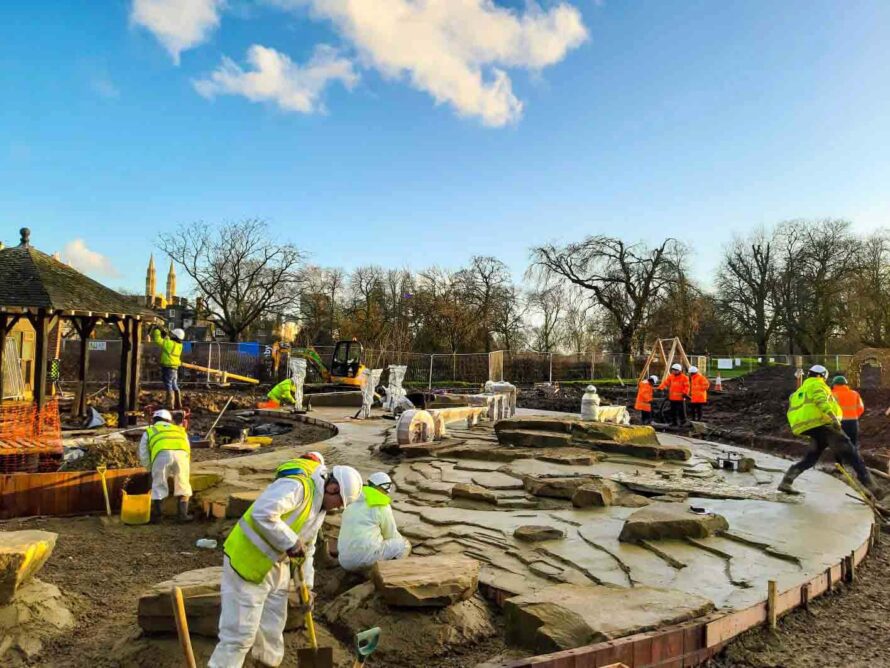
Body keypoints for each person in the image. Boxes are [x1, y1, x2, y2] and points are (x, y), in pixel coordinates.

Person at [208, 463, 363, 668]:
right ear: (332, 488)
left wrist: (306, 585)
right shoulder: (296, 487)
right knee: (240, 635)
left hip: (277, 568)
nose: (338, 509)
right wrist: (290, 541)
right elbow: (263, 513)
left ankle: (266, 664)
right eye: (339, 503)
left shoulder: (320, 508)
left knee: (272, 630)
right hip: (247, 564)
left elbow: (308, 548)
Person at [780, 364, 879, 496]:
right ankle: (873, 487)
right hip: (824, 425)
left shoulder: (799, 391)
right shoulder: (817, 385)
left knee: (811, 457)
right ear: (821, 376)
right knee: (851, 452)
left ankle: (786, 481)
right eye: (824, 378)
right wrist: (833, 418)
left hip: (808, 427)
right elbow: (821, 401)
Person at [337, 471, 411, 572]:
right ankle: (388, 575)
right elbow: (390, 534)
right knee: (404, 544)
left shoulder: (352, 499)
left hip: (344, 561)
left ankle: (363, 572)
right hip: (365, 559)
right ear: (386, 489)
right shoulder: (381, 504)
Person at [138, 409, 193, 522]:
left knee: (159, 484)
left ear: (154, 420)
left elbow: (143, 453)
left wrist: (149, 468)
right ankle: (183, 515)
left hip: (161, 455)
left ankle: (158, 516)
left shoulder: (150, 431)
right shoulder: (180, 430)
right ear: (169, 420)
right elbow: (188, 447)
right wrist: (185, 463)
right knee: (183, 484)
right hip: (181, 455)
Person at [151, 326, 184, 411]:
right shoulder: (179, 345)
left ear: (175, 336)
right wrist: (166, 336)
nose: (171, 335)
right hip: (175, 367)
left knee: (168, 384)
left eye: (172, 334)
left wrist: (157, 330)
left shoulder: (169, 344)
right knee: (174, 384)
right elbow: (168, 341)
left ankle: (170, 404)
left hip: (168, 367)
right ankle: (178, 404)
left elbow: (158, 340)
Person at [830, 375, 865, 448]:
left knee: (839, 445)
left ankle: (841, 459)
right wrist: (854, 416)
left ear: (834, 384)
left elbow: (828, 410)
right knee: (852, 445)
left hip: (838, 423)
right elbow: (861, 408)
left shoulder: (832, 395)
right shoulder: (855, 394)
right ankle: (853, 458)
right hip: (853, 422)